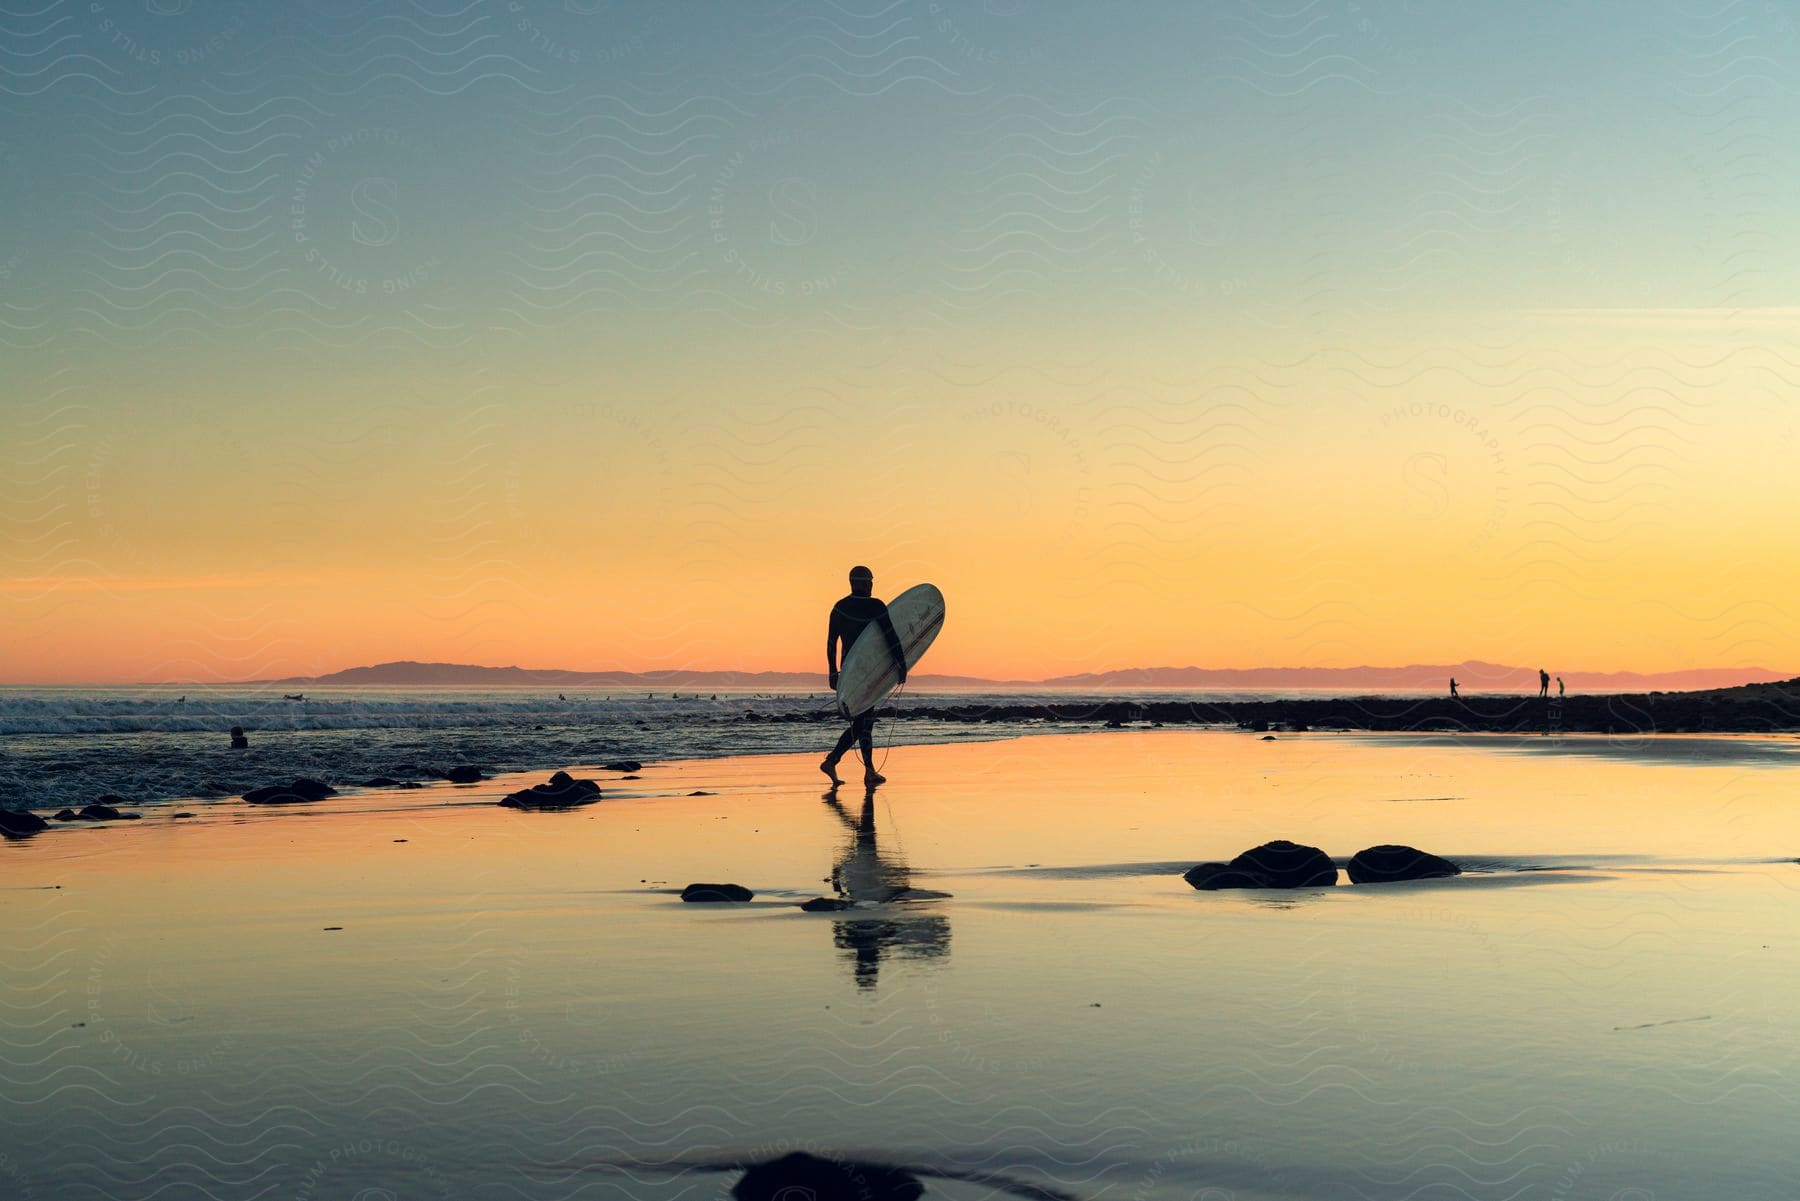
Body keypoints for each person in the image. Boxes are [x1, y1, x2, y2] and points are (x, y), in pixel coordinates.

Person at [822, 565, 907, 786]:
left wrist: (832, 672)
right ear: (864, 583)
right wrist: (901, 663)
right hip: (870, 672)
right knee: (864, 721)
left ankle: (868, 771)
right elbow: (891, 637)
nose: (871, 586)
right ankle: (833, 760)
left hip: (849, 674)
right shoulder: (875, 606)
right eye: (870, 582)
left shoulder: (839, 608)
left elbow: (831, 643)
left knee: (865, 721)